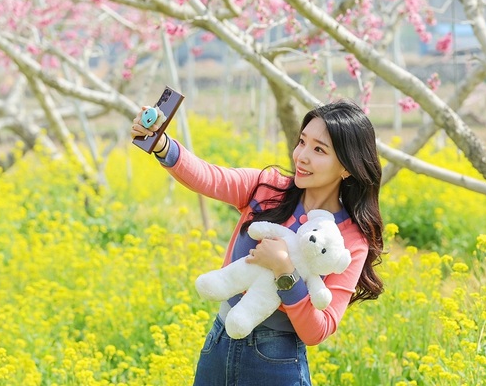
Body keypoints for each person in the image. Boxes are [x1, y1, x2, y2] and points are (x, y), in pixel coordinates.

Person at [130, 98, 384, 386]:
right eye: (302, 142)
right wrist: (163, 145)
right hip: (218, 344)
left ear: (347, 167)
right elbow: (209, 177)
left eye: (319, 150)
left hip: (277, 362)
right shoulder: (267, 188)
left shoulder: (351, 239)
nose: (301, 156)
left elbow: (318, 330)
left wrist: (284, 269)